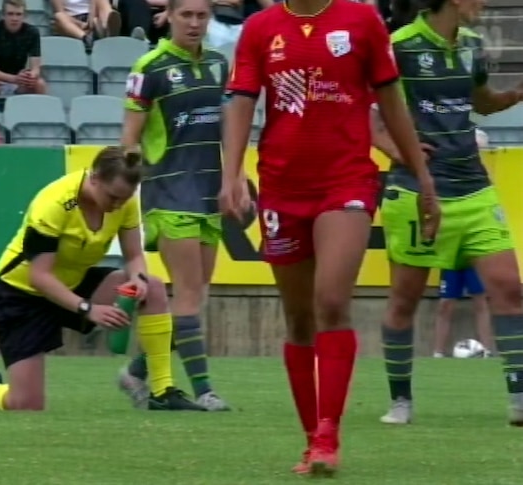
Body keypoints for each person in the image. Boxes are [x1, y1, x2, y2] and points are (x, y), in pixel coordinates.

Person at [220, 0, 439, 476]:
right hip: (281, 185)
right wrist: (230, 175)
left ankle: (328, 435)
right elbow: (240, 102)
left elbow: (392, 103)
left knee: (332, 301)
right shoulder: (260, 28)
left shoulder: (361, 21)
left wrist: (422, 176)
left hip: (346, 182)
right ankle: (309, 441)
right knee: (298, 320)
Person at [372, 0, 523, 427]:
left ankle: (520, 400)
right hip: (418, 190)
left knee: (510, 288)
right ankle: (400, 400)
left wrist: (515, 93)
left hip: (474, 187)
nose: (486, 4)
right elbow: (368, 118)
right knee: (404, 300)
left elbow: (482, 101)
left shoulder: (473, 45)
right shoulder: (399, 46)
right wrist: (400, 154)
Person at [0, 147, 205, 412]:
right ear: (94, 178)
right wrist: (89, 309)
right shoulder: (54, 203)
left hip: (75, 279)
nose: (117, 205)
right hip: (22, 293)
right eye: (112, 197)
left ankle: (162, 392)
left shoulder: (125, 202)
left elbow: (134, 256)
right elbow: (39, 276)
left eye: (125, 198)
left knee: (153, 287)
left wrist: (138, 278)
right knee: (26, 405)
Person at [118, 0, 232, 412]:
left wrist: (235, 178)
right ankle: (203, 390)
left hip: (209, 191)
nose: (195, 23)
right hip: (167, 191)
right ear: (169, 16)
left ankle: (137, 371)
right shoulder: (148, 68)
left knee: (196, 293)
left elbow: (229, 130)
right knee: (186, 293)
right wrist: (125, 196)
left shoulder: (221, 65)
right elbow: (128, 141)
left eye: (203, 16)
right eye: (187, 15)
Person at [0, 0, 47, 96]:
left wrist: (30, 76)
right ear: (3, 15)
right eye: (10, 14)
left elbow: (36, 68)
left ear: (24, 16)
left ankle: (39, 110)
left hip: (19, 79)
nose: (14, 18)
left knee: (39, 83)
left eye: (18, 14)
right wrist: (14, 78)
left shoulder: (32, 32)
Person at [433, 268, 493, 358]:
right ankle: (438, 353)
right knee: (444, 305)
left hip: (473, 260)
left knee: (480, 301)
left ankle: (487, 351)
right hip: (451, 262)